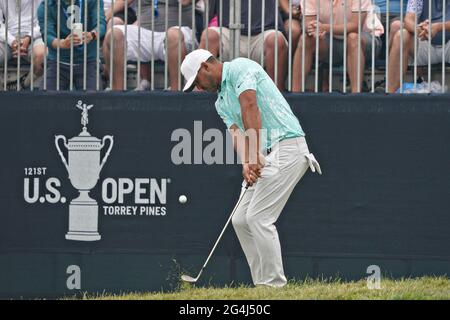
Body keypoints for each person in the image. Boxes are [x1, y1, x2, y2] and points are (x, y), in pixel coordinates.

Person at [181, 49, 322, 287]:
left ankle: (274, 285)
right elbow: (236, 133)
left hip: (289, 146)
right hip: (266, 153)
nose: (198, 88)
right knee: (240, 219)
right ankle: (262, 283)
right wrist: (247, 161)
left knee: (259, 217)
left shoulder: (240, 68)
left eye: (197, 81)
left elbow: (250, 106)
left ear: (206, 67)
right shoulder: (220, 101)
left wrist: (255, 152)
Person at [292, 0, 384, 93]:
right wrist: (312, 28)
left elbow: (355, 26)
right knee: (305, 39)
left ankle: (356, 95)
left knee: (353, 38)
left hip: (366, 38)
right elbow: (308, 22)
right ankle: (294, 96)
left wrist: (323, 28)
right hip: (330, 39)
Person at [103, 0, 197, 91]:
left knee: (173, 36)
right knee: (114, 34)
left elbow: (185, 1)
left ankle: (176, 92)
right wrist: (106, 16)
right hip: (146, 32)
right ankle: (117, 95)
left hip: (178, 31)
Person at [199, 0, 288, 91]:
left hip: (263, 34)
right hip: (229, 32)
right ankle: (201, 98)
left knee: (276, 40)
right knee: (209, 36)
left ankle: (276, 94)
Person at [37, 0, 106, 90]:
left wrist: (92, 35)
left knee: (92, 101)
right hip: (58, 62)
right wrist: (62, 43)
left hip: (88, 61)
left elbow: (101, 24)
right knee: (46, 101)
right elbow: (47, 35)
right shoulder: (47, 4)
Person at [387, 0, 450, 93]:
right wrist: (421, 29)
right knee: (401, 35)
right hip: (425, 41)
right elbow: (408, 20)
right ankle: (390, 96)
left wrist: (438, 27)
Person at [0, 0, 46, 89]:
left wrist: (29, 37)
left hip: (35, 35)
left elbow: (44, 19)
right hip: (7, 36)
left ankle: (23, 84)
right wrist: (12, 41)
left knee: (42, 56)